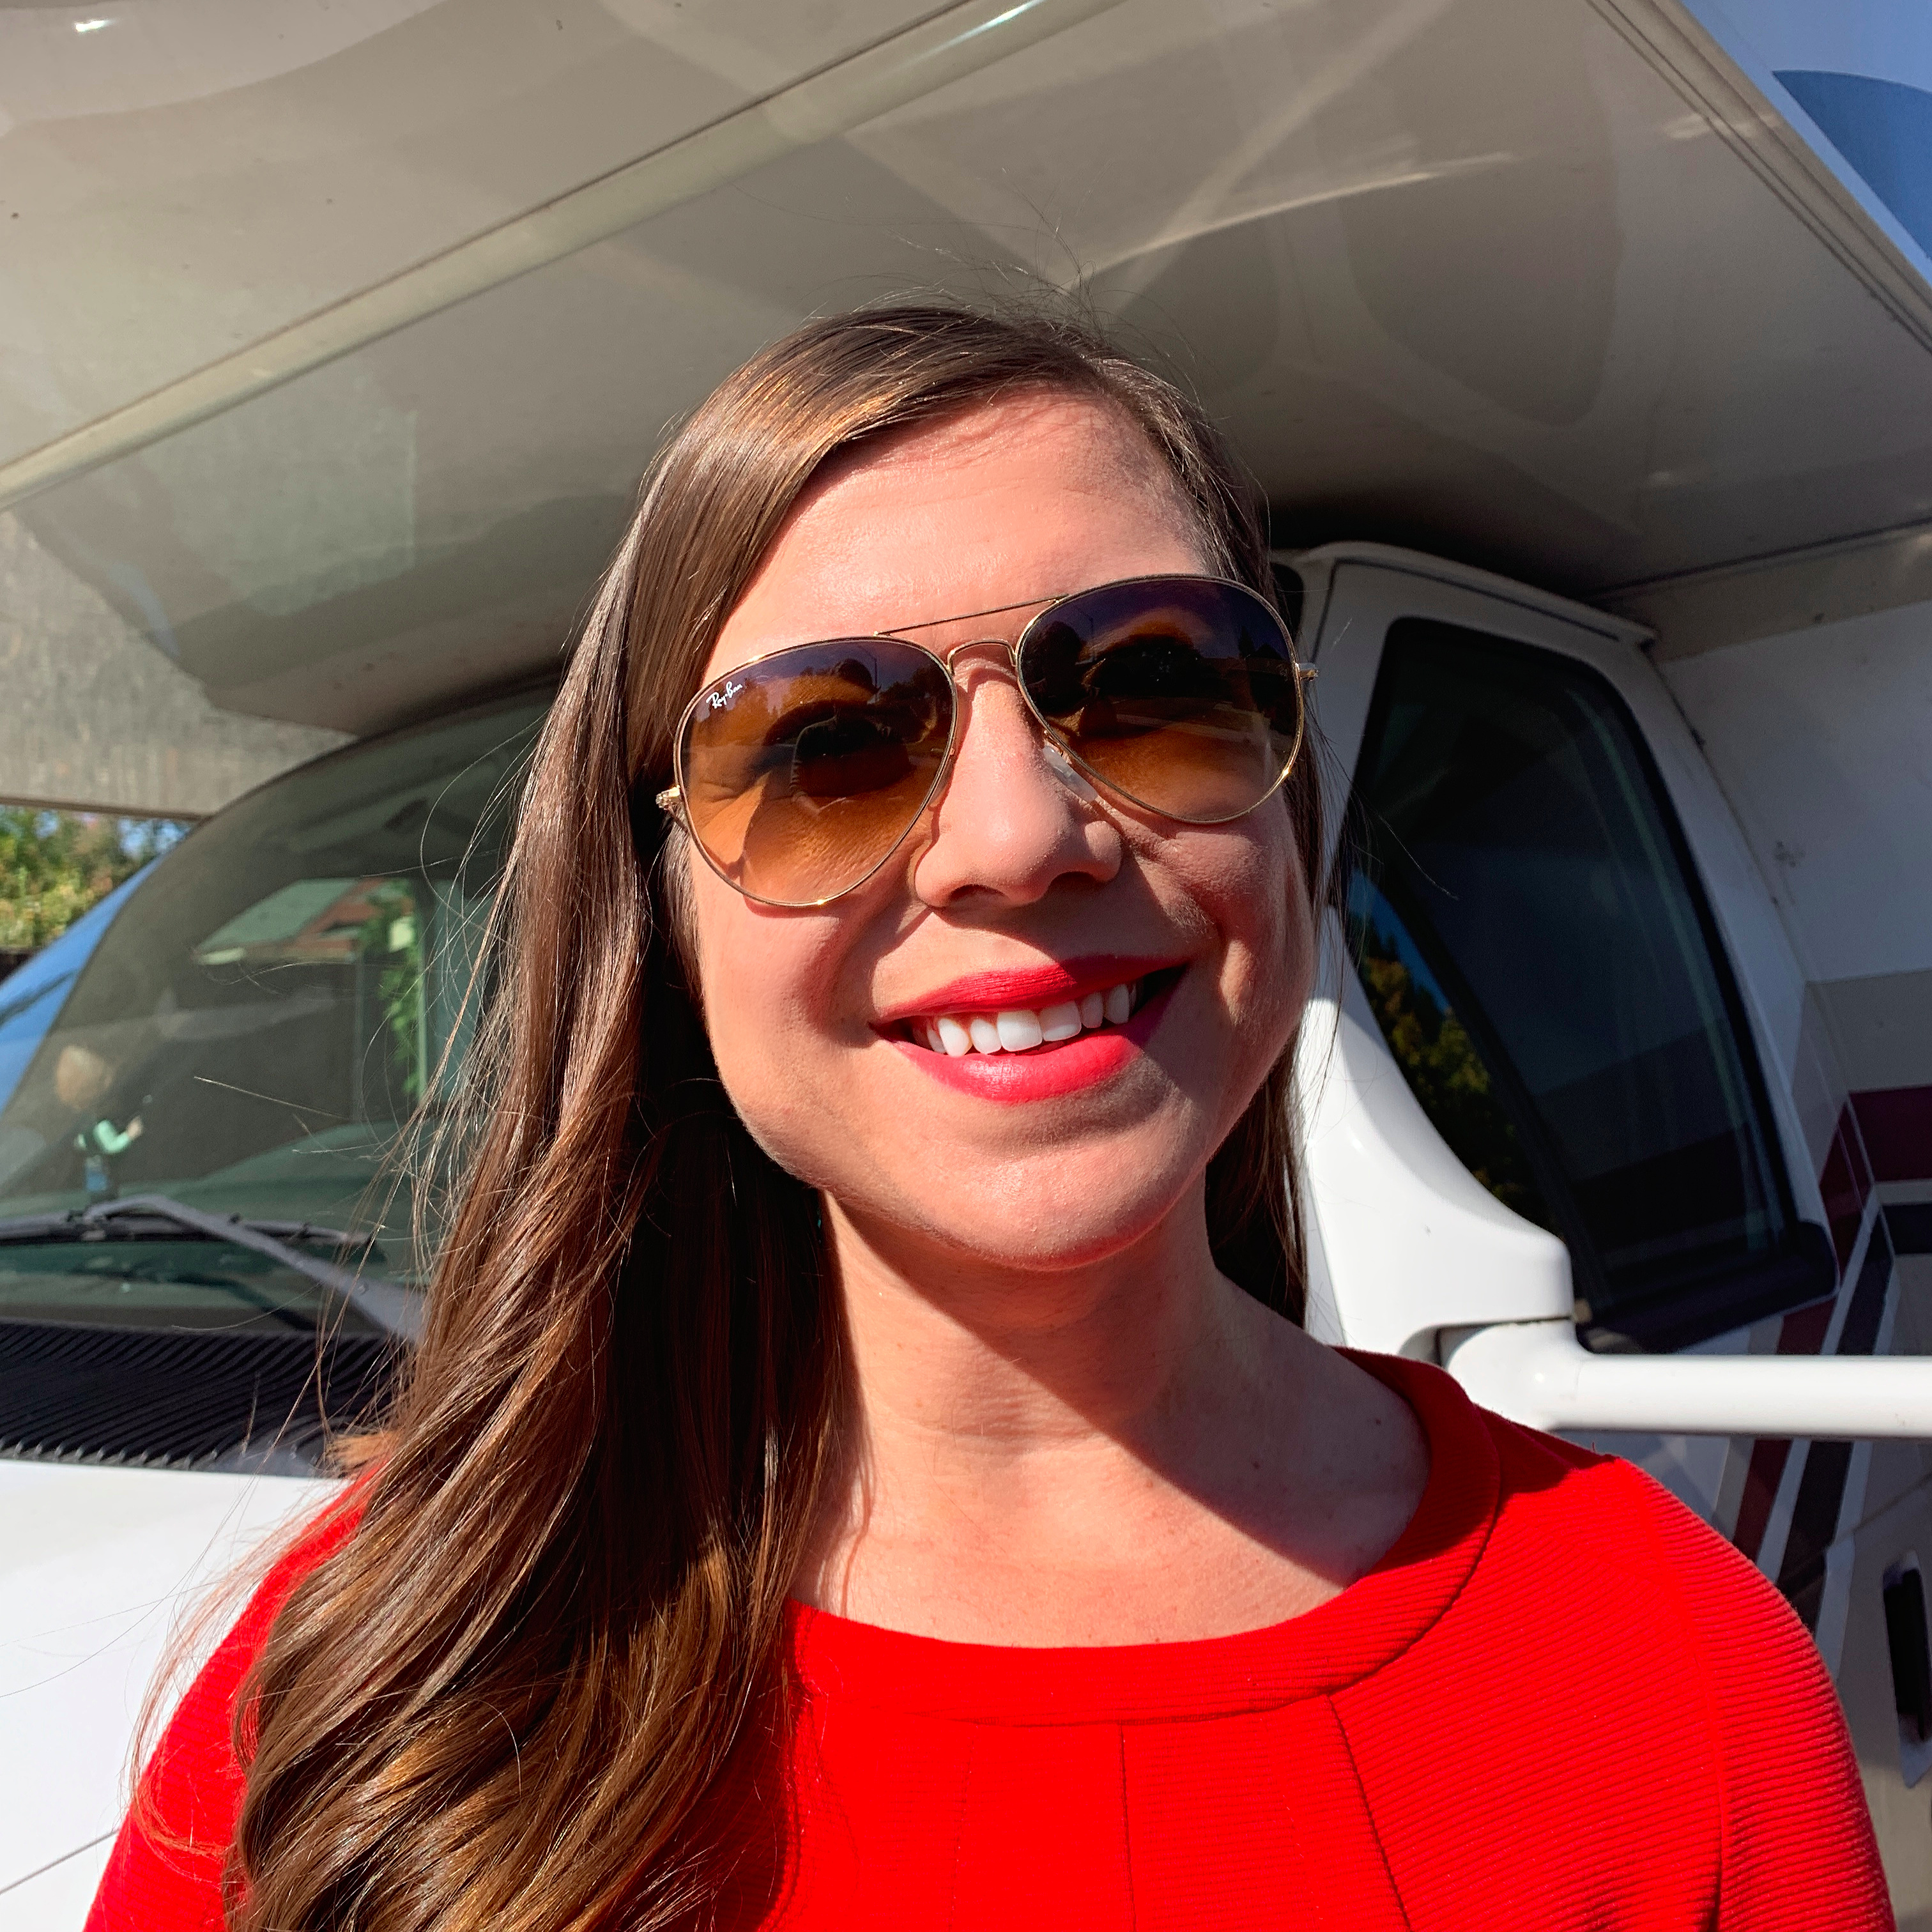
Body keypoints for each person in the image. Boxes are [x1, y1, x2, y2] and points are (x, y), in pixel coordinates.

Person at [88, 306, 1889, 1931]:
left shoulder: (1677, 1674)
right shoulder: (383, 1691)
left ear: (1290, 807)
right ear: (664, 924)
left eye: (1161, 686)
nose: (1020, 839)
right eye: (822, 747)